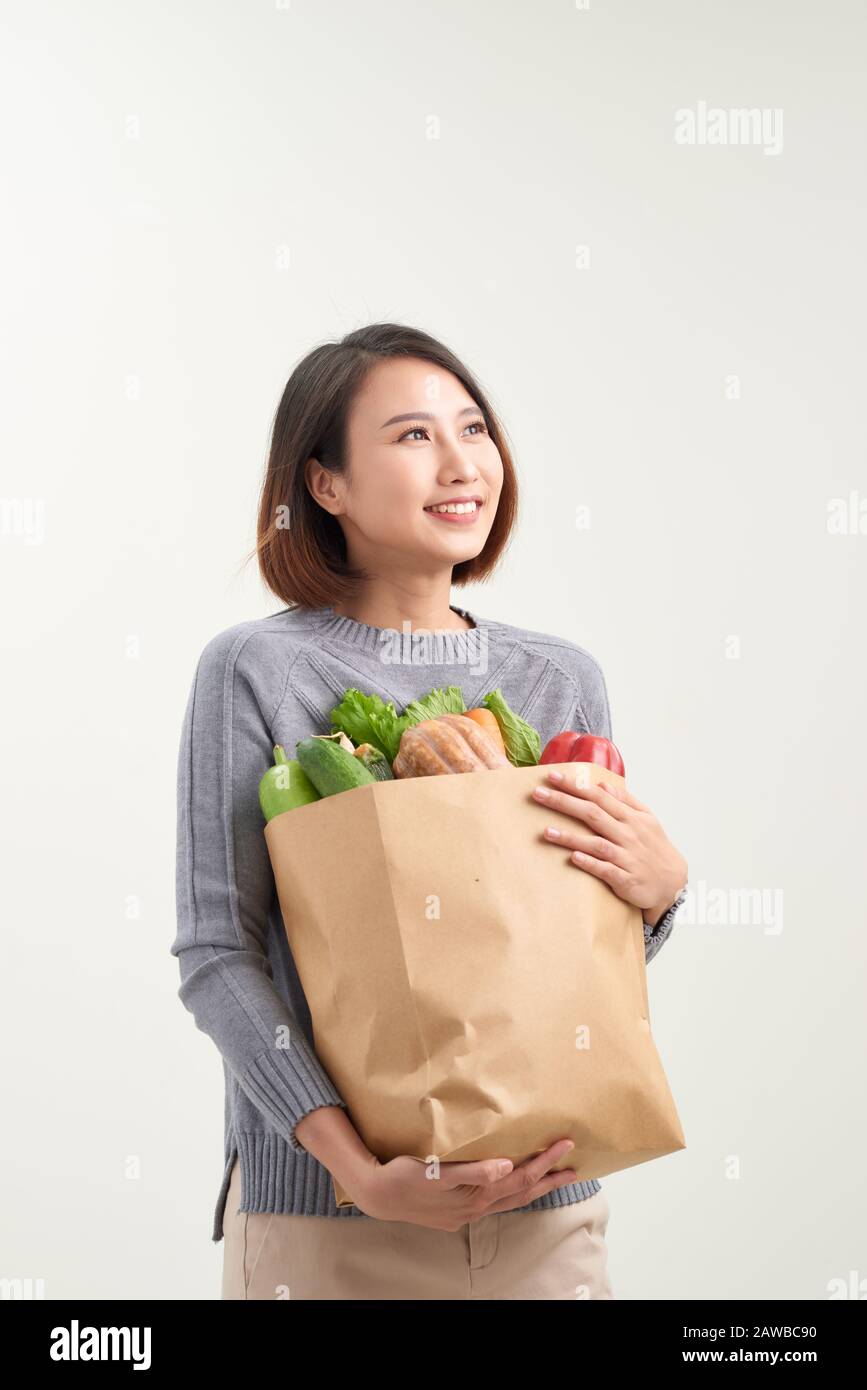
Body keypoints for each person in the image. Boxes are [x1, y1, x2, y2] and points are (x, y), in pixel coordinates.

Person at [171, 322, 688, 1300]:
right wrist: (357, 1172)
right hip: (329, 1226)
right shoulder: (257, 670)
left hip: (547, 1212)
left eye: (475, 429)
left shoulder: (558, 678)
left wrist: (659, 899)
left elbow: (560, 955)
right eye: (413, 437)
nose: (461, 464)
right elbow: (217, 955)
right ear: (324, 483)